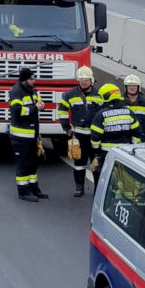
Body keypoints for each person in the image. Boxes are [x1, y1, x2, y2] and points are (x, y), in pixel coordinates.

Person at [58, 65, 102, 197]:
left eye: (86, 80)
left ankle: (97, 191)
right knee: (79, 162)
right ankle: (79, 188)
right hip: (79, 136)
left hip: (95, 136)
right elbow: (62, 110)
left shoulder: (99, 94)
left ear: (91, 80)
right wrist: (66, 128)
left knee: (96, 164)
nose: (83, 82)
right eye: (81, 80)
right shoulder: (70, 94)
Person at [8, 67, 47, 202]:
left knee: (33, 163)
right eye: (31, 79)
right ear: (25, 79)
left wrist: (42, 105)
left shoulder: (32, 91)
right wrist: (35, 108)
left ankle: (34, 188)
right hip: (21, 137)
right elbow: (17, 111)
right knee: (23, 164)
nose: (34, 81)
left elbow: (39, 103)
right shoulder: (16, 92)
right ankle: (23, 191)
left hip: (33, 136)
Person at [90, 83, 136, 173]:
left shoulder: (101, 114)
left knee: (105, 179)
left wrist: (97, 151)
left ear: (106, 96)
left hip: (106, 153)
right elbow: (137, 133)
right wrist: (132, 147)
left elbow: (95, 137)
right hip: (125, 153)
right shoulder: (128, 112)